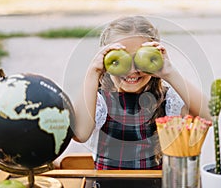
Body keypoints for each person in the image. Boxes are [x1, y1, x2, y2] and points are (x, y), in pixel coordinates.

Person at [73, 16, 211, 170]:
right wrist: (94, 71)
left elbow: (209, 115)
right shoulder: (99, 101)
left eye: (139, 59)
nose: (132, 70)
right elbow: (80, 133)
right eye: (121, 60)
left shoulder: (167, 101)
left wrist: (169, 72)